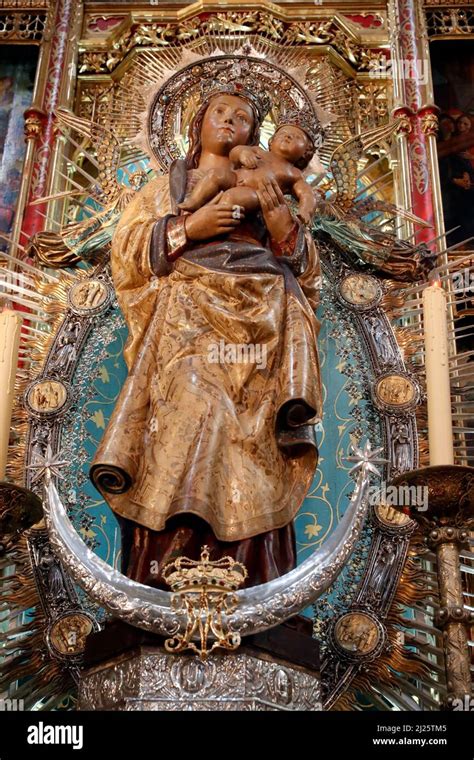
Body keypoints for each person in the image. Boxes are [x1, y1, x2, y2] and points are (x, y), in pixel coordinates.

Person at [90, 86, 322, 588]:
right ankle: (164, 576)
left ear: (253, 135)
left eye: (242, 117)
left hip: (261, 321)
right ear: (197, 121)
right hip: (186, 323)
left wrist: (284, 223)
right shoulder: (167, 187)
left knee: (250, 440)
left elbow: (304, 265)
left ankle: (253, 579)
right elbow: (126, 250)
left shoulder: (261, 179)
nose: (229, 121)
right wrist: (188, 228)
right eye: (219, 111)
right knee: (192, 412)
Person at [178, 122, 317, 225]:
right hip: (236, 177)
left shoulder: (294, 173)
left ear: (305, 153)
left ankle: (226, 222)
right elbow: (234, 153)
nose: (287, 137)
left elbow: (306, 194)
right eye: (282, 133)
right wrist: (243, 154)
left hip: (257, 194)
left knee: (232, 197)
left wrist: (305, 211)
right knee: (215, 174)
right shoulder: (258, 151)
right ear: (271, 140)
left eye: (296, 137)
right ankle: (194, 201)